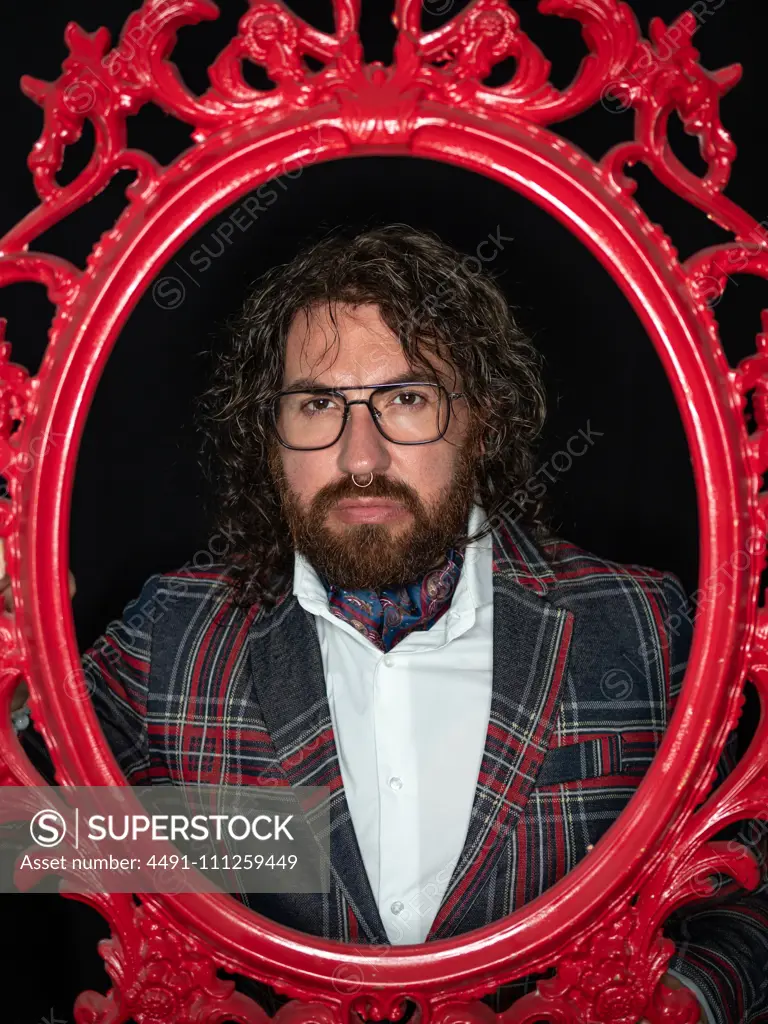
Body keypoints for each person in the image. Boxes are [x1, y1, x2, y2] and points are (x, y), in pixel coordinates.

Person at [7, 224, 768, 1021]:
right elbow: (31, 836)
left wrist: (680, 1002)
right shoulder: (173, 634)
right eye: (316, 405)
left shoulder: (642, 627)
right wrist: (16, 672)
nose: (360, 456)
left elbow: (746, 888)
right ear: (269, 439)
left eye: (407, 399)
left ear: (484, 420)